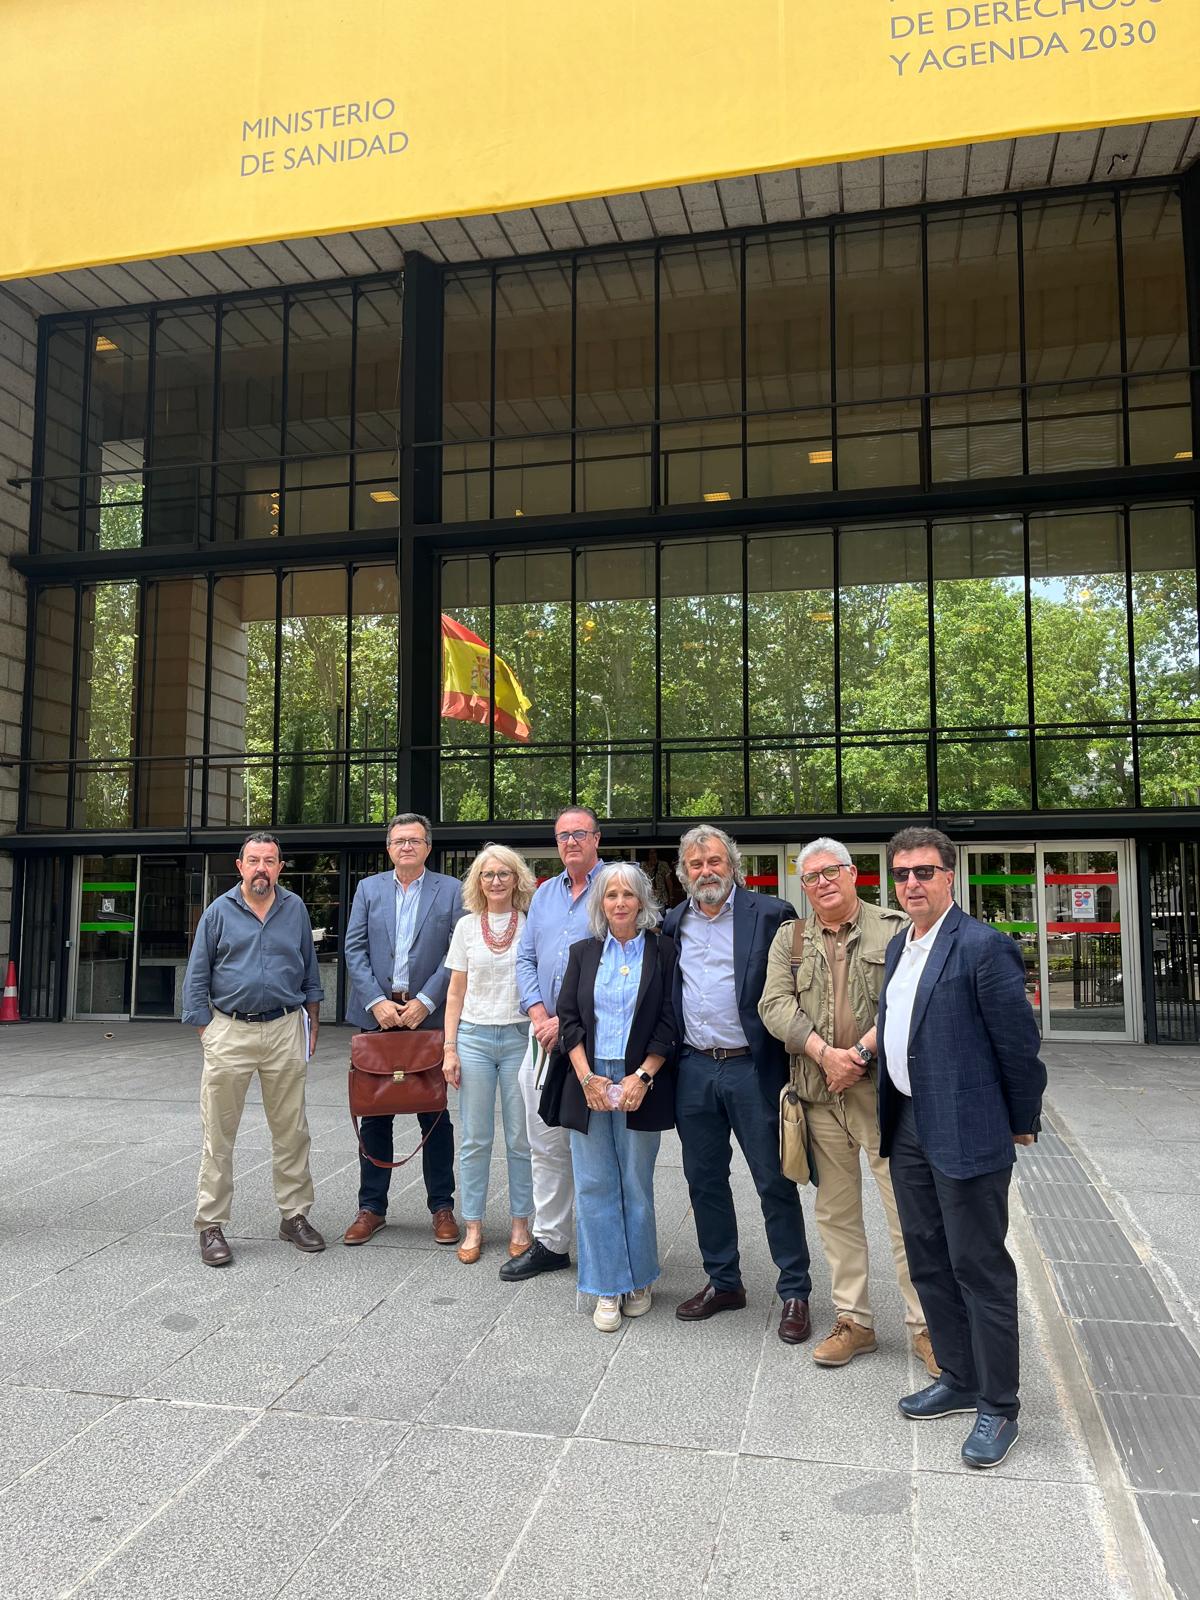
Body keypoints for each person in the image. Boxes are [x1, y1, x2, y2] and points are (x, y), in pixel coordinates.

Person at [878, 826, 1046, 1470]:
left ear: (950, 875)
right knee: (927, 1258)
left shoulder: (982, 946)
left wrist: (1020, 1119)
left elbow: (1018, 1045)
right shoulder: (900, 946)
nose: (912, 883)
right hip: (908, 1123)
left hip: (967, 1128)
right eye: (902, 873)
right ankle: (959, 1376)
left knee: (979, 1267)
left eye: (924, 871)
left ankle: (999, 1405)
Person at [759, 836, 936, 1374]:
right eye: (811, 877)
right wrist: (824, 1054)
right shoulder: (790, 937)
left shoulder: (895, 927)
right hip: (818, 1096)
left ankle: (927, 1326)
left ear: (853, 873)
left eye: (831, 871)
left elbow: (911, 997)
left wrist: (858, 1054)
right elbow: (773, 1004)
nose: (822, 883)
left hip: (882, 1095)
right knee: (836, 1214)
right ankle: (854, 1321)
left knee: (907, 1213)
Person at [663, 826, 812, 1343]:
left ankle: (795, 1290)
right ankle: (724, 1282)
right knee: (704, 1181)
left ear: (734, 866)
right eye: (696, 864)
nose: (706, 871)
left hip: (753, 1067)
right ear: (684, 873)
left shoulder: (771, 914)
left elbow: (796, 988)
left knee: (773, 1181)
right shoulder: (672, 922)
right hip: (694, 1068)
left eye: (715, 862)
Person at [182, 832, 325, 1266]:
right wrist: (208, 1030)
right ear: (240, 866)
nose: (262, 868)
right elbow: (197, 973)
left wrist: (313, 1019)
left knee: (292, 1130)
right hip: (230, 1030)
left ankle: (294, 1216)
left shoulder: (294, 908)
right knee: (218, 1133)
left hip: (284, 1028)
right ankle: (211, 1224)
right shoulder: (218, 911)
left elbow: (309, 967)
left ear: (280, 867)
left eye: (270, 860)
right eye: (254, 860)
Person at [552, 862, 678, 1330]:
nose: (620, 902)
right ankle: (606, 1285)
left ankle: (639, 1278)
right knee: (593, 1184)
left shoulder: (663, 951)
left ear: (642, 901)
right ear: (600, 903)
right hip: (589, 1079)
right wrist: (587, 1078)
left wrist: (642, 1077)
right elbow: (568, 1019)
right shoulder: (583, 952)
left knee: (635, 1183)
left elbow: (671, 1019)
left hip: (639, 1080)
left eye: (628, 894)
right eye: (611, 895)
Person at [342, 813, 465, 1247]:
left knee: (434, 1115)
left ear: (428, 846)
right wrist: (376, 1001)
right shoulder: (368, 889)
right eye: (399, 841)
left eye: (414, 840)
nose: (407, 847)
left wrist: (426, 1001)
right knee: (375, 1112)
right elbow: (354, 947)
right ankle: (371, 1208)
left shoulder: (451, 890)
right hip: (378, 1015)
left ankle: (442, 1207)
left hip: (427, 1017)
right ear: (389, 848)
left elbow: (457, 951)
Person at [503, 805, 603, 1281]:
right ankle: (551, 1241)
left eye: (579, 833)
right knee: (543, 1143)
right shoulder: (543, 894)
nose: (570, 842)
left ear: (597, 839)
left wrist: (566, 1022)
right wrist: (540, 1014)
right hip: (541, 1039)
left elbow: (624, 962)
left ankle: (603, 1244)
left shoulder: (613, 888)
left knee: (593, 1147)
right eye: (563, 835)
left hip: (593, 1039)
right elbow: (525, 959)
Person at [442, 844, 536, 1265]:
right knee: (475, 1139)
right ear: (478, 882)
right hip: (474, 1039)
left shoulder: (531, 924)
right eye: (487, 874)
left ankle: (520, 1224)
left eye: (503, 873)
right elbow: (455, 992)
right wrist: (449, 1048)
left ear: (517, 879)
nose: (495, 881)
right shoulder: (465, 927)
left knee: (520, 1138)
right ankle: (474, 1225)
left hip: (519, 1037)